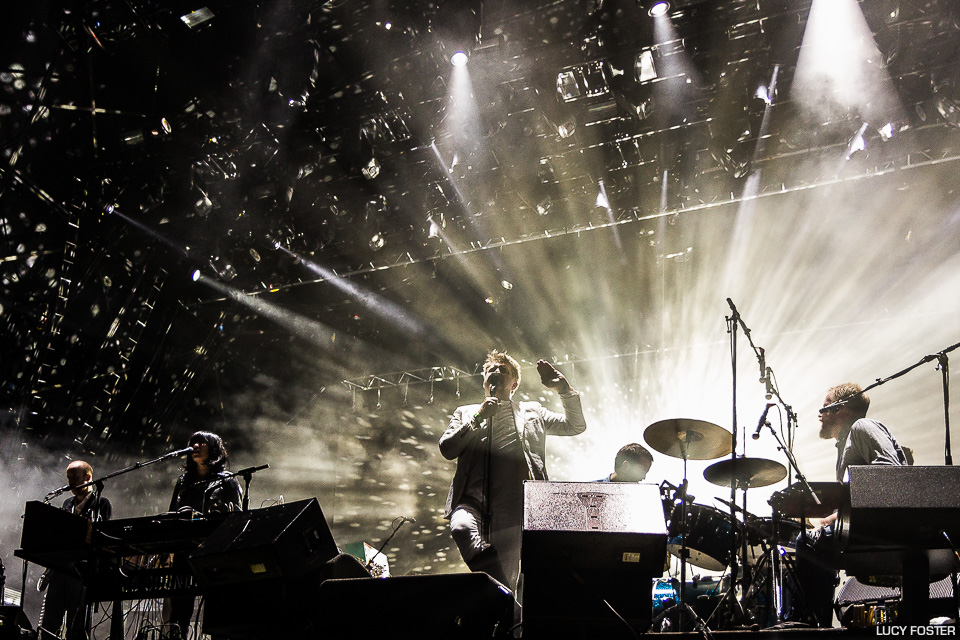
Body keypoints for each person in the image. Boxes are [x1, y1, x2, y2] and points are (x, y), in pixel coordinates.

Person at [439, 351, 587, 600]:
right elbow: (447, 448)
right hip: (472, 501)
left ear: (514, 384)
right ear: (484, 381)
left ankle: (507, 610)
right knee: (461, 527)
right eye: (491, 370)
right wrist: (479, 416)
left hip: (513, 508)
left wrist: (564, 389)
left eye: (503, 370)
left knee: (506, 580)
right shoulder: (466, 412)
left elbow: (575, 426)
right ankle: (504, 599)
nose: (496, 372)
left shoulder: (533, 412)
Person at [792, 382, 906, 627]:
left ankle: (812, 625)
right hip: (869, 526)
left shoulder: (862, 427)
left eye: (824, 407)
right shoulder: (846, 444)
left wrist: (834, 518)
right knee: (810, 538)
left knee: (808, 542)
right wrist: (831, 517)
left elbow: (890, 473)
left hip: (881, 528)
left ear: (841, 408)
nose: (820, 414)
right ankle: (817, 622)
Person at [167, 431, 242, 639]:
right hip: (184, 550)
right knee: (180, 605)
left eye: (202, 442)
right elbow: (173, 513)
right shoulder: (183, 481)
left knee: (217, 606)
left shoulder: (227, 480)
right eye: (193, 443)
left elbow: (236, 517)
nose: (196, 446)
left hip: (213, 550)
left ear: (214, 449)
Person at [39, 460, 112, 640]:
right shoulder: (67, 502)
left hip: (81, 574)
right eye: (69, 478)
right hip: (60, 571)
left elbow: (101, 538)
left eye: (74, 478)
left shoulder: (101, 503)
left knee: (76, 626)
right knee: (49, 623)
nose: (70, 482)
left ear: (88, 477)